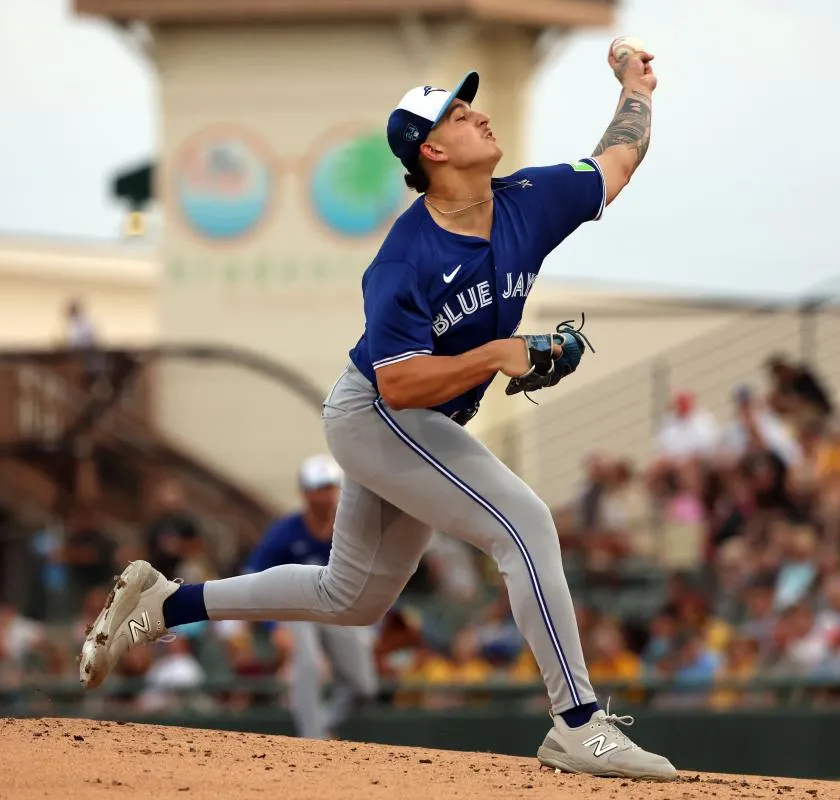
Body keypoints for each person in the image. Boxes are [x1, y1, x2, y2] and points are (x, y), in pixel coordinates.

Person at [79, 43, 675, 781]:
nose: (479, 114)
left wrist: (635, 89)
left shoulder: (527, 201)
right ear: (431, 149)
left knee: (351, 596)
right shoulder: (405, 256)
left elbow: (618, 161)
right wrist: (496, 355)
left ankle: (166, 603)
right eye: (459, 114)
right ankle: (578, 724)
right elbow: (397, 387)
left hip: (420, 421)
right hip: (376, 413)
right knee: (524, 524)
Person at [242, 455, 378, 740]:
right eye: (318, 488)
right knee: (308, 664)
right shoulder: (285, 531)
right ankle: (312, 739)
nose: (325, 495)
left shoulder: (350, 528)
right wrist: (272, 625)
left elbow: (370, 576)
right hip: (296, 608)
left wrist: (371, 620)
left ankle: (322, 723)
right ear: (304, 493)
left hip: (335, 608)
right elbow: (251, 577)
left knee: (363, 685)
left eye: (330, 487)